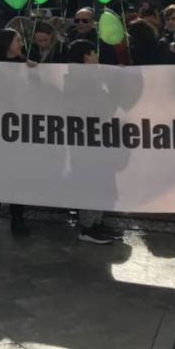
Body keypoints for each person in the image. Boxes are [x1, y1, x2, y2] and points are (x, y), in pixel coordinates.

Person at [63, 39, 122, 244]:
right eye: (93, 53)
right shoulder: (78, 81)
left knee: (102, 180)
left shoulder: (91, 79)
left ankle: (97, 221)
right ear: (86, 57)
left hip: (97, 138)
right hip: (86, 140)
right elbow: (91, 108)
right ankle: (87, 227)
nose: (97, 57)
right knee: (91, 180)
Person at [0, 28, 31, 238]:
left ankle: (17, 220)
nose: (21, 43)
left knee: (17, 177)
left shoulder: (25, 64)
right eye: (17, 40)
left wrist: (35, 71)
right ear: (6, 43)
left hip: (16, 130)